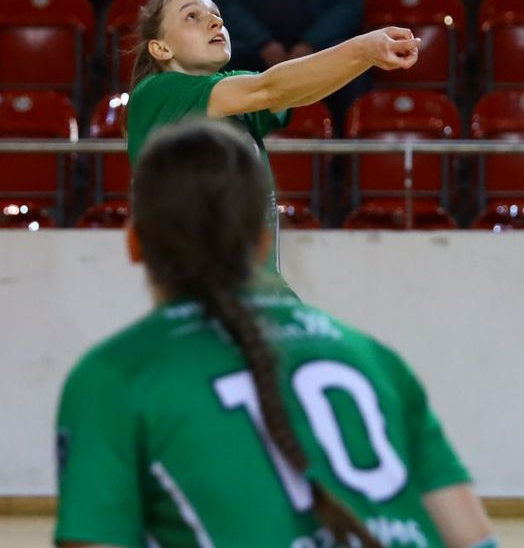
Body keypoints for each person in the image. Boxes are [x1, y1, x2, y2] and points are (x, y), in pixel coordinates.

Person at [55, 118, 498, 548]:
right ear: (264, 242)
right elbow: (472, 536)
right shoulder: (374, 360)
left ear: (133, 242)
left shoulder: (114, 376)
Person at [126, 0, 420, 273]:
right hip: (204, 289)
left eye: (216, 14)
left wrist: (369, 56)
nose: (216, 21)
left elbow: (299, 91)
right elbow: (270, 89)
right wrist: (362, 50)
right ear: (160, 48)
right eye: (192, 16)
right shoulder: (154, 94)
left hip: (260, 286)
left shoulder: (233, 92)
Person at [217, 0, 369, 131]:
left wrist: (311, 43)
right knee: (220, 60)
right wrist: (263, 43)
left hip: (321, 50)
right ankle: (225, 144)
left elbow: (349, 7)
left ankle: (345, 148)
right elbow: (228, 4)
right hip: (256, 50)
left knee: (355, 67)